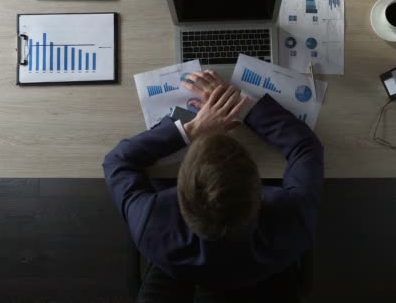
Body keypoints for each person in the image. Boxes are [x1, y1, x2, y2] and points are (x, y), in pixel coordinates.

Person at [103, 70, 324, 302]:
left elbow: (117, 161)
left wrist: (192, 129)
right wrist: (240, 104)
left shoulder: (152, 220)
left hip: (180, 268)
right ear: (259, 187)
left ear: (179, 193)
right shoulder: (292, 218)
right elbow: (306, 146)